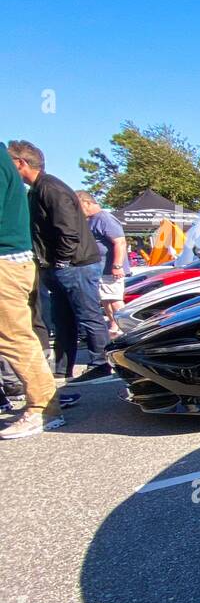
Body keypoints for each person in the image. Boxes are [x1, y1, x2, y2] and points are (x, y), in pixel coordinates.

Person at [7, 141, 112, 384]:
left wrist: (62, 261)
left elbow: (68, 230)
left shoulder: (51, 188)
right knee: (62, 319)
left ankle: (101, 363)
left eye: (10, 163)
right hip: (61, 265)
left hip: (75, 265)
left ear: (21, 163)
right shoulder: (38, 189)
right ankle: (63, 368)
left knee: (87, 315)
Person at [0, 147, 63, 438]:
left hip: (7, 261)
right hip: (18, 260)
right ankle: (43, 402)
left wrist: (62, 261)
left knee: (14, 338)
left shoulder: (48, 187)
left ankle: (43, 407)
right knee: (18, 336)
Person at [76, 192, 128, 337]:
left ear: (87, 203)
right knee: (106, 299)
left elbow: (120, 242)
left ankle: (126, 328)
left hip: (110, 268)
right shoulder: (91, 220)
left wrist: (117, 266)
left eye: (78, 205)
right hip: (100, 268)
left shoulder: (105, 218)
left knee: (115, 300)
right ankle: (114, 325)